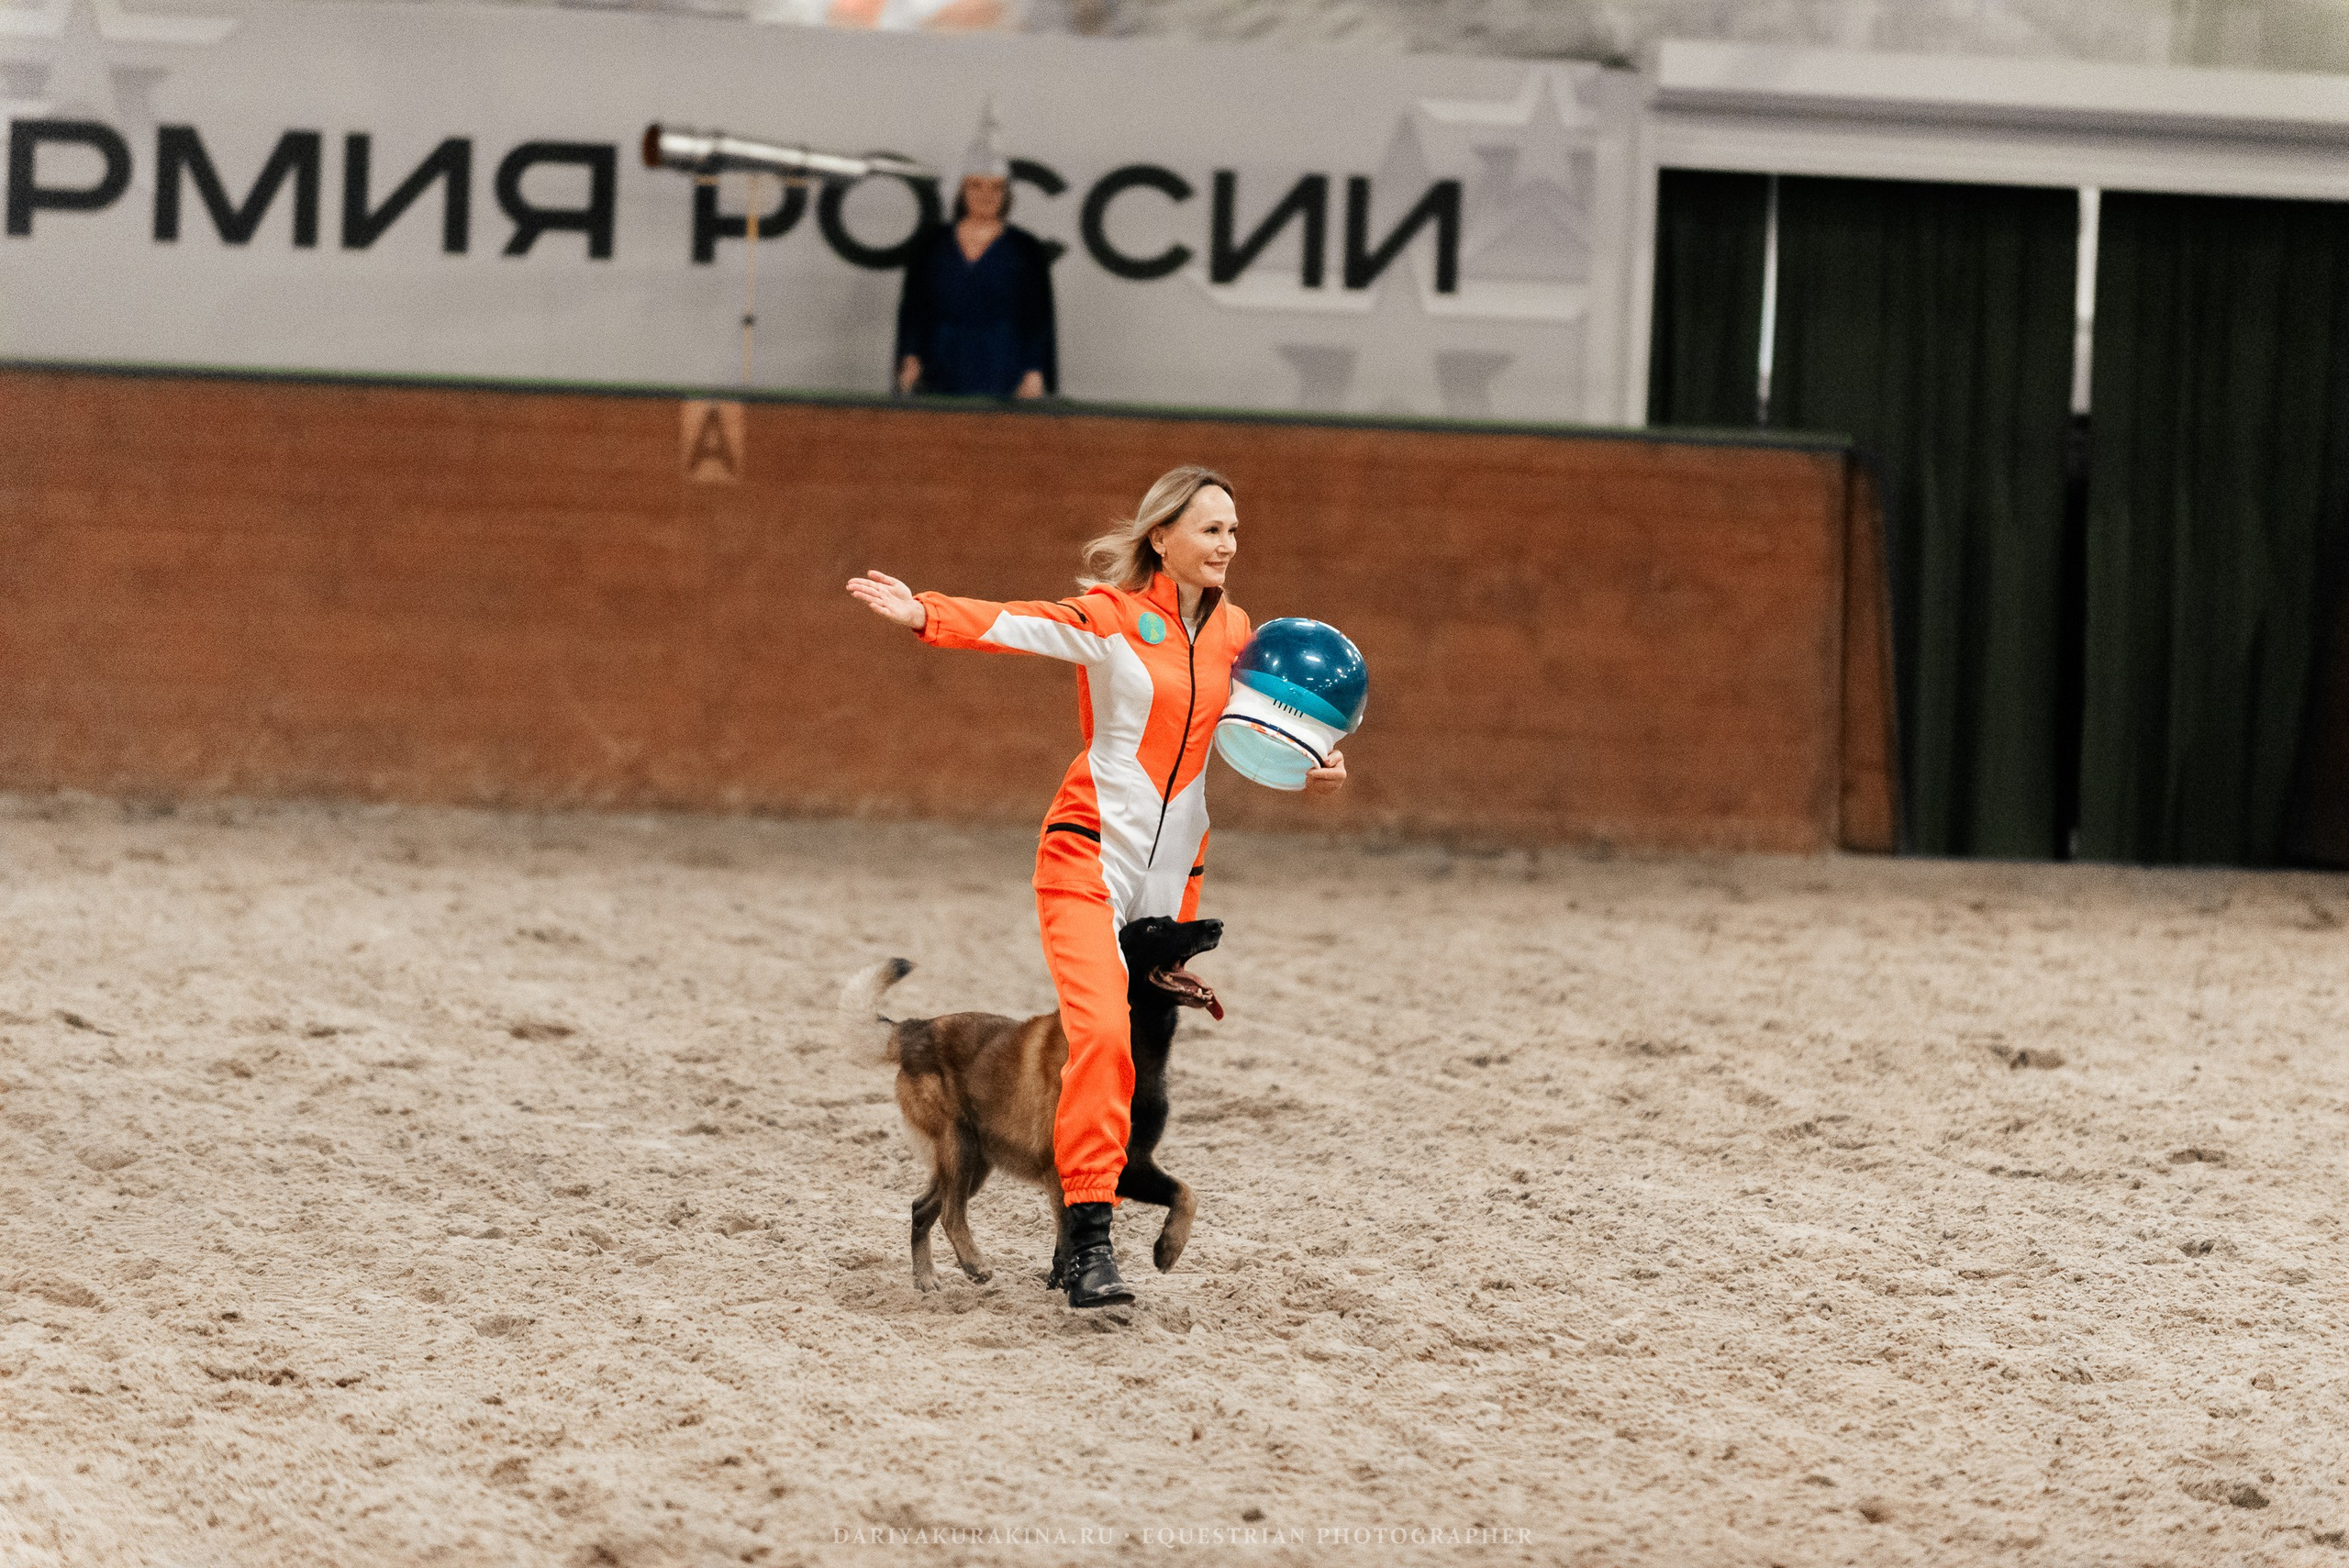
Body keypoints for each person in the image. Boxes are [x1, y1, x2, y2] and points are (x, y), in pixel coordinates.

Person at [845, 466, 1348, 1307]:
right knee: (1103, 1039)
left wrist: (1318, 769)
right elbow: (1022, 624)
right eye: (1211, 529)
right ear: (1163, 538)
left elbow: (1271, 729)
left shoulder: (1241, 635)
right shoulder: (1114, 620)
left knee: (1142, 1054)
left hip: (1171, 879)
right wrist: (926, 612)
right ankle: (1086, 1245)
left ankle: (1079, 1225)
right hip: (1085, 861)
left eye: (1234, 531)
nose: (1228, 544)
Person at [893, 106, 1057, 401]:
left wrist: (1034, 370)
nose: (986, 195)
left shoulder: (1025, 247)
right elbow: (915, 308)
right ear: (961, 191)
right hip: (940, 359)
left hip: (1004, 360)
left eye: (996, 187)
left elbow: (1037, 318)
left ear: (1007, 194)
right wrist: (911, 356)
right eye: (976, 185)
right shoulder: (932, 243)